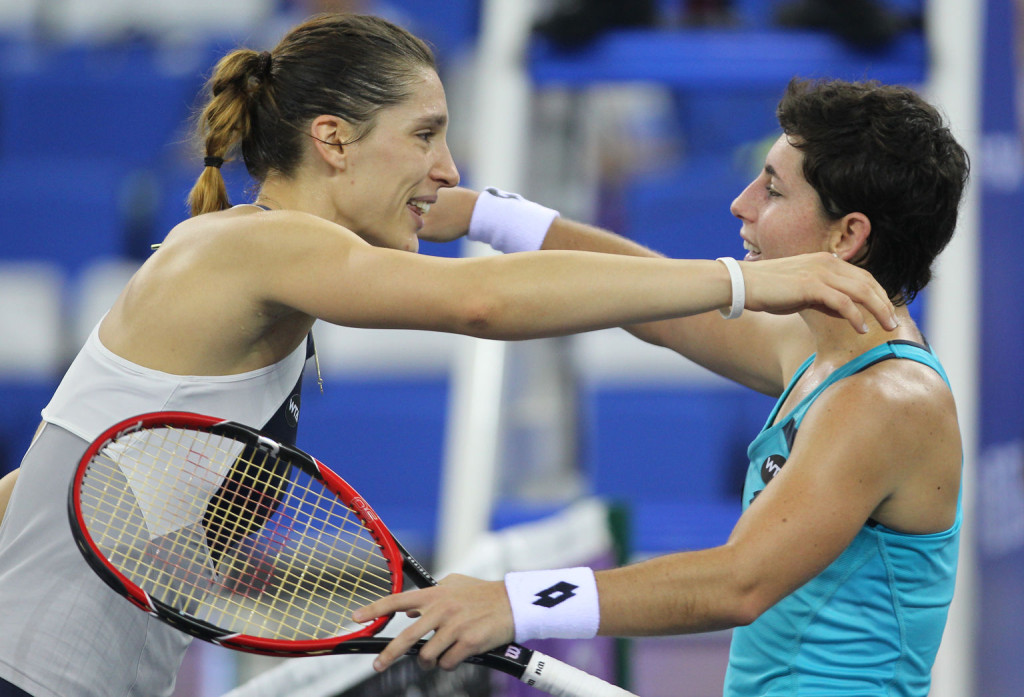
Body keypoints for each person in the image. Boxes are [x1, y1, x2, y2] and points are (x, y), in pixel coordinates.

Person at [0, 15, 897, 697]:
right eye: (425, 134)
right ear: (333, 139)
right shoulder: (248, 249)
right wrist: (743, 283)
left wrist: (503, 217)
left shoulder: (255, 275)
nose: (446, 166)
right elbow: (482, 301)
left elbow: (44, 478)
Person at [354, 77, 969, 697]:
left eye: (773, 189)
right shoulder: (821, 353)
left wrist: (514, 602)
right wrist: (491, 217)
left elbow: (738, 582)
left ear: (846, 236)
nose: (741, 203)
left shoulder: (884, 400)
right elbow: (664, 304)